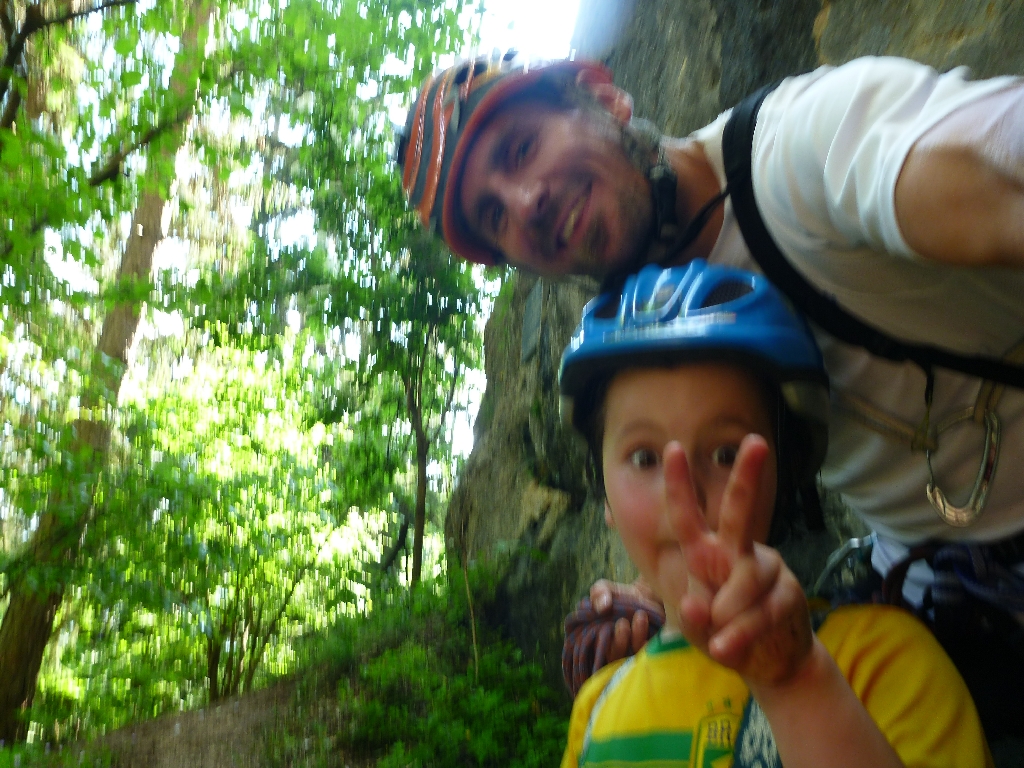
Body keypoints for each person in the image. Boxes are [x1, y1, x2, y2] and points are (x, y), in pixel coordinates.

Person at [397, 53, 1024, 736]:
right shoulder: (636, 339)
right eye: (493, 218)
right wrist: (659, 590)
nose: (525, 204)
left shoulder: (797, 147)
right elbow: (710, 500)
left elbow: (972, 155)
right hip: (943, 590)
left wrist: (978, 186)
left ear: (604, 98)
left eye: (522, 148)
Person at [556, 259, 990, 768]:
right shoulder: (595, 707)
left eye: (725, 454)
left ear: (782, 476)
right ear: (603, 494)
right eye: (645, 458)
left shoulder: (881, 660)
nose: (685, 498)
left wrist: (796, 682)